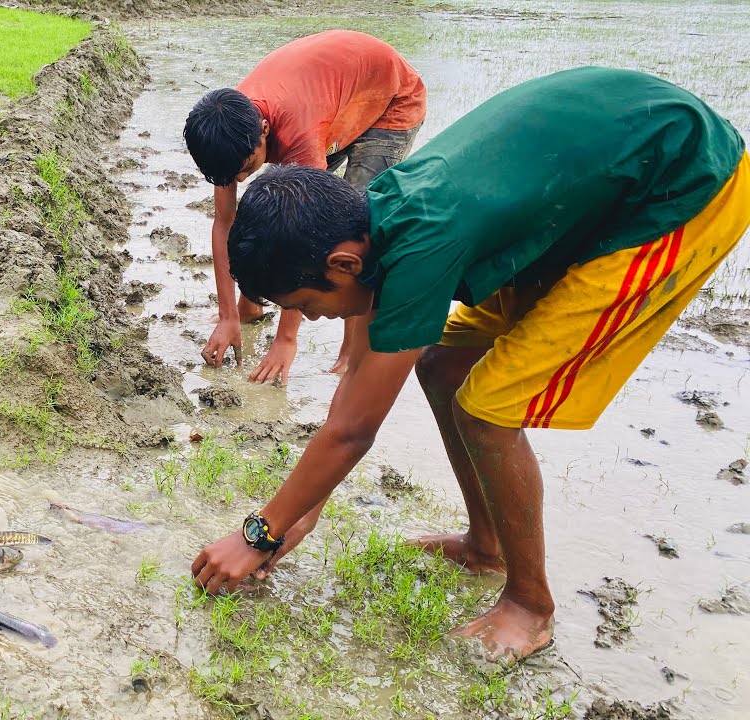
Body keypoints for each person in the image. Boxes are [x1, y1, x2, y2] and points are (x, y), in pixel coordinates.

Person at [189, 66, 750, 663]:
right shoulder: (370, 219)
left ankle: (531, 606)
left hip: (679, 183)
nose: (318, 321)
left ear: (344, 264)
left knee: (488, 407)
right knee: (444, 364)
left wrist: (262, 531)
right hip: (599, 175)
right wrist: (302, 512)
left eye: (307, 306)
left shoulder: (423, 243)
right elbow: (358, 390)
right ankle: (486, 547)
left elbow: (354, 429)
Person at [183, 30, 425, 383]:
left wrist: (285, 339)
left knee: (356, 227)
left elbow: (309, 238)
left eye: (247, 169)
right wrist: (228, 315)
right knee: (264, 219)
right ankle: (248, 309)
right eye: (229, 177)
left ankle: (351, 348)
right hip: (337, 97)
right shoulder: (227, 133)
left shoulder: (298, 132)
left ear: (265, 130)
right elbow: (225, 221)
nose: (239, 179)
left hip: (391, 102)